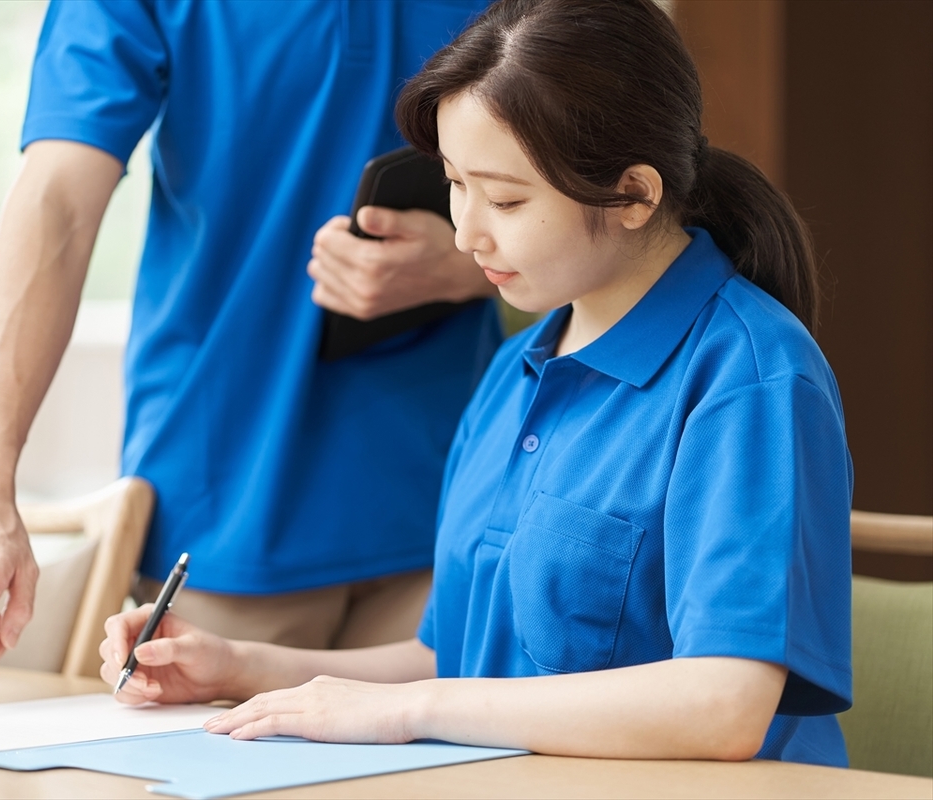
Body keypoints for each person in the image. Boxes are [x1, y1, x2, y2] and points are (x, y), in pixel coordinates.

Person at [97, 0, 854, 767]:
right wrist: (240, 666)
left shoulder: (748, 380)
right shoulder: (516, 368)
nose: (465, 233)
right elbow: (455, 662)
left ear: (633, 194)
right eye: (456, 184)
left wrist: (410, 712)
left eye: (507, 199)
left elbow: (722, 707)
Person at [0, 0, 503, 677]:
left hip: (458, 514)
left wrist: (468, 265)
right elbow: (58, 206)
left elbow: (605, 187)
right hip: (222, 511)